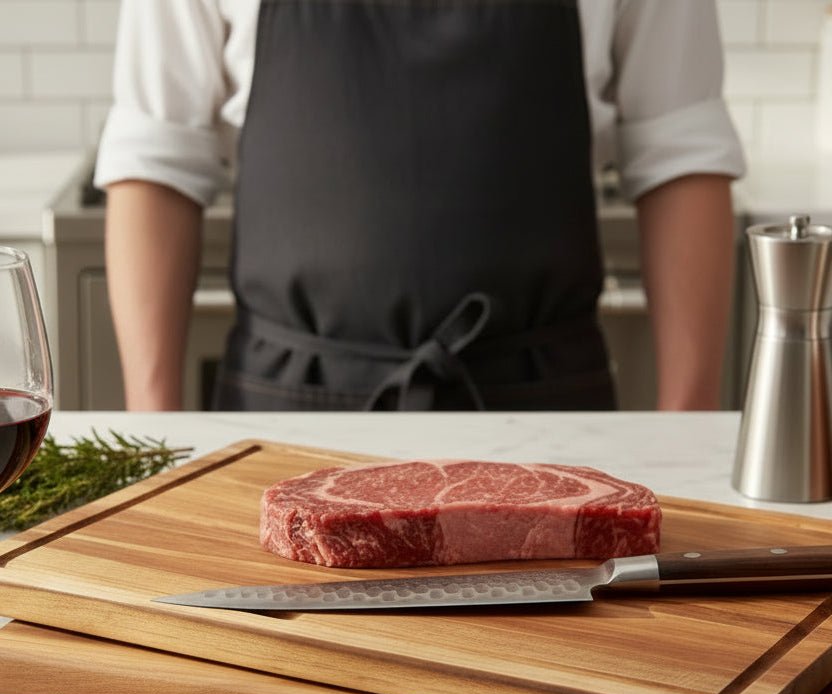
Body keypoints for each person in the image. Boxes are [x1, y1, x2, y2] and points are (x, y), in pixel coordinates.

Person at [95, 0, 745, 412]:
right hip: (282, 416)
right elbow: (155, 163)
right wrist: (156, 435)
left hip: (546, 416)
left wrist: (688, 427)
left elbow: (680, 156)